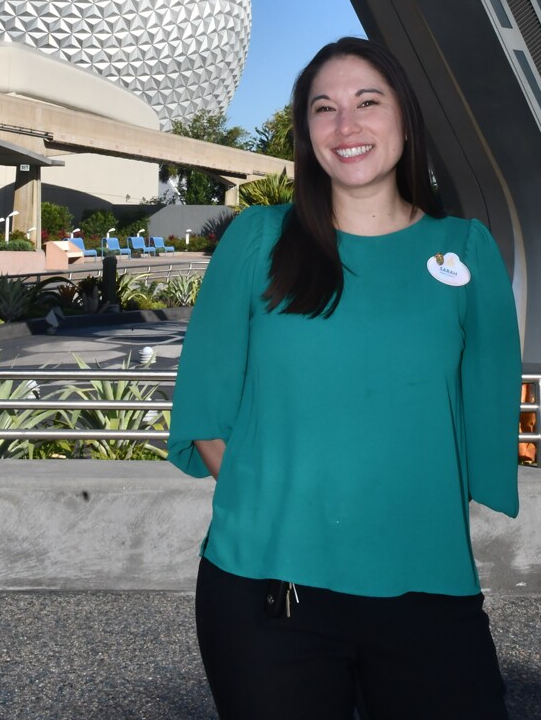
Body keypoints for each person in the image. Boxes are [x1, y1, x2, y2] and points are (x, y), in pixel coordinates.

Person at [168, 37, 522, 720]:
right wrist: (275, 510)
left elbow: (481, 412)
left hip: (426, 585)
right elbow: (205, 409)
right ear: (306, 136)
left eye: (368, 101)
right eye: (324, 108)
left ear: (406, 120)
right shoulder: (258, 240)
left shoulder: (465, 251)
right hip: (271, 590)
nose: (346, 125)